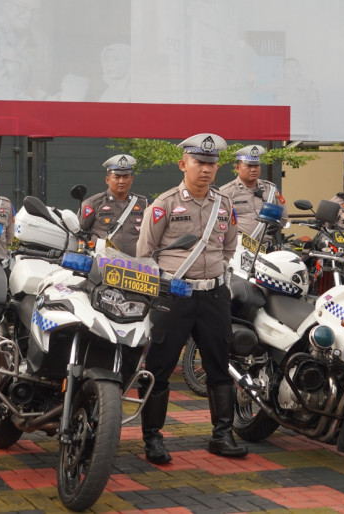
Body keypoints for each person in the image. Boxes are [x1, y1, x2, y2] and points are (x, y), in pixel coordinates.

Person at [136, 133, 246, 464]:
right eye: (199, 162)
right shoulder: (164, 204)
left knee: (219, 365)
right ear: (183, 164)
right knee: (158, 367)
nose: (206, 169)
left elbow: (228, 246)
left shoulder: (224, 205)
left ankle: (222, 435)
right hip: (174, 296)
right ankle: (153, 438)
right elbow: (145, 254)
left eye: (212, 164)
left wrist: (214, 275)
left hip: (213, 295)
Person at [80, 154, 148, 256]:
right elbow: (79, 233)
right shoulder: (93, 203)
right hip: (103, 263)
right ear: (107, 180)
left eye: (126, 177)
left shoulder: (143, 203)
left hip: (136, 264)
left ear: (132, 179)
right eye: (116, 177)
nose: (122, 181)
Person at [219, 145, 288, 237]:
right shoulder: (226, 192)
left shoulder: (271, 189)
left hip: (266, 247)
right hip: (239, 248)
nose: (253, 169)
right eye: (249, 166)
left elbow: (283, 217)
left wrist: (276, 225)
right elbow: (219, 224)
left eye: (256, 166)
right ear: (237, 168)